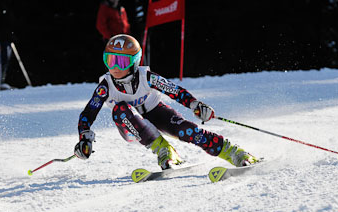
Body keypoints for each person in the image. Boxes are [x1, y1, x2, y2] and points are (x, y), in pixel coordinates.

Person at [74, 34, 259, 170]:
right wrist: (84, 137)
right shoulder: (105, 86)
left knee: (187, 131)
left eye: (120, 62)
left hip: (156, 113)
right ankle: (163, 150)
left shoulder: (146, 76)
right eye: (110, 60)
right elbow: (88, 114)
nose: (114, 68)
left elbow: (175, 91)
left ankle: (232, 151)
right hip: (129, 125)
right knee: (121, 110)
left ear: (134, 62)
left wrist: (195, 105)